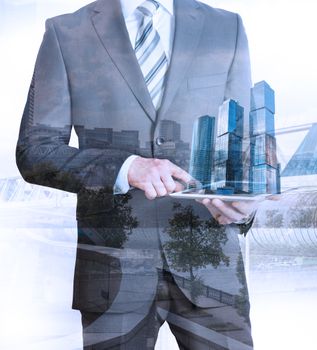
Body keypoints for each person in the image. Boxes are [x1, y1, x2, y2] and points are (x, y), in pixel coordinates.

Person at [16, 0, 256, 348]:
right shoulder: (65, 32)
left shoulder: (227, 28)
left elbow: (243, 143)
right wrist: (126, 168)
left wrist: (245, 199)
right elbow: (35, 151)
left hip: (212, 267)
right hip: (113, 275)